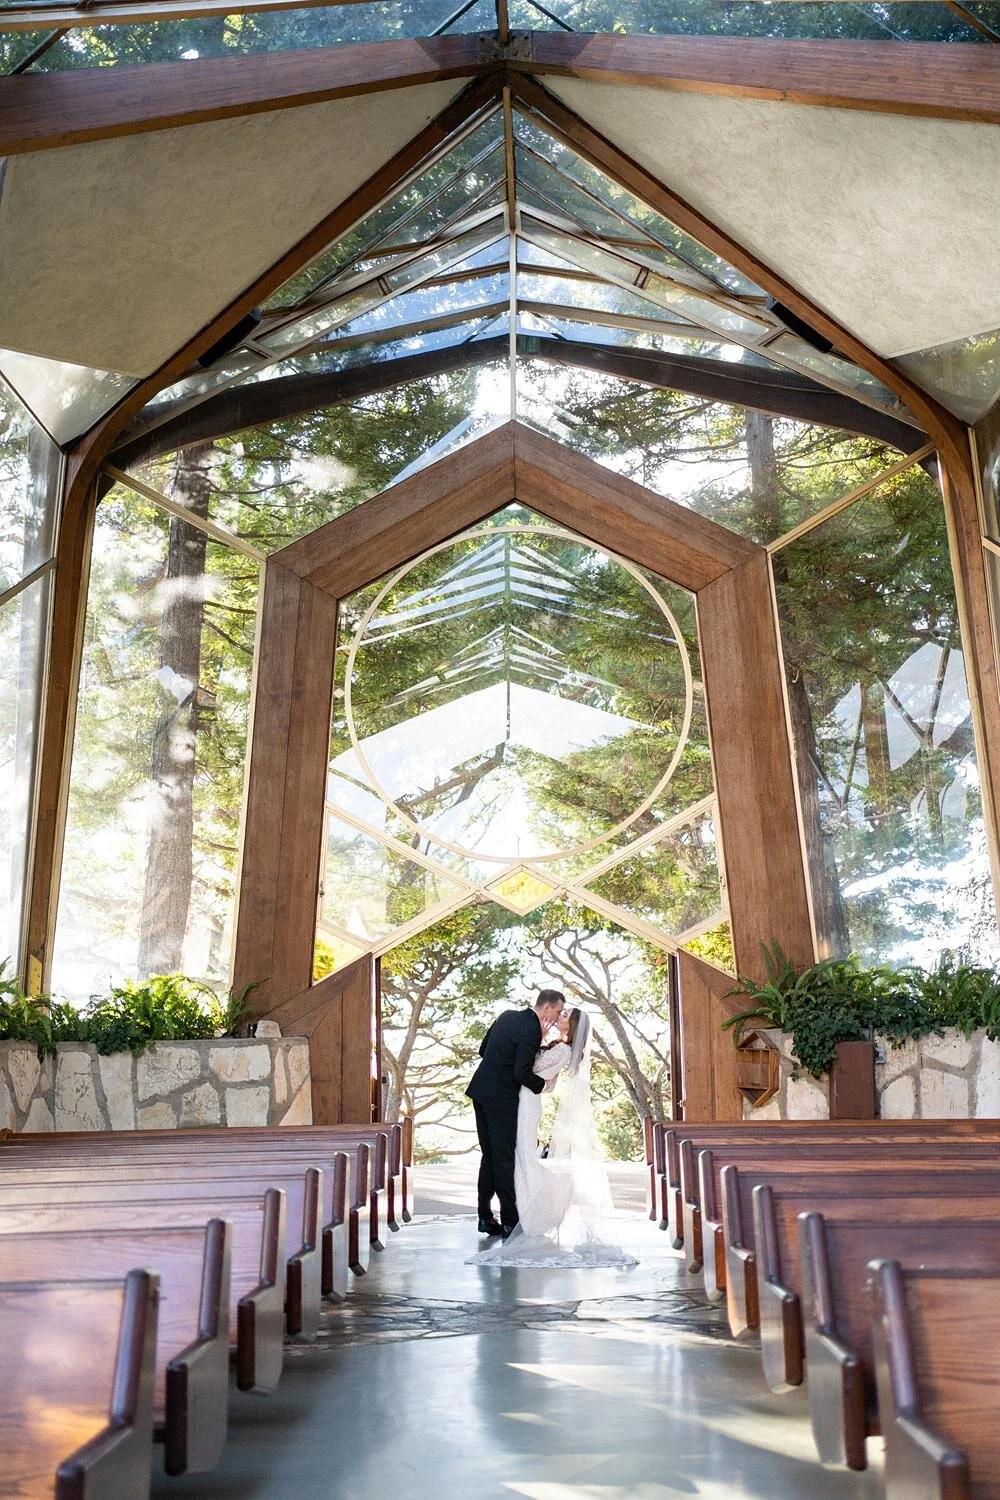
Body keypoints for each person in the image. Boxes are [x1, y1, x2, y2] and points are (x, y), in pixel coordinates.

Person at [472, 1002, 639, 1270]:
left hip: (525, 1102)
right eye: (561, 1011)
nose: (560, 1015)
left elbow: (532, 1074)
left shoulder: (563, 1050)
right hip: (519, 1099)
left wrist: (530, 1065)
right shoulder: (556, 1045)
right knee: (509, 1156)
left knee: (516, 1155)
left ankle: (518, 1217)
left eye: (565, 1015)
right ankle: (512, 1215)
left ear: (572, 1026)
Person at [465, 989, 566, 1238]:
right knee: (503, 1160)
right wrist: (542, 1085)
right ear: (546, 1008)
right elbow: (521, 1073)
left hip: (480, 1091)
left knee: (489, 1157)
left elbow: (483, 1049)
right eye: (557, 1011)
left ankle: (485, 1217)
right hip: (501, 1101)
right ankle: (511, 1222)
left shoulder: (507, 1015)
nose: (557, 1016)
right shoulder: (531, 1029)